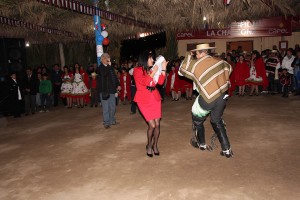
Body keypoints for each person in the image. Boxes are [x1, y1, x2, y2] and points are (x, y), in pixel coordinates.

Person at [179, 43, 233, 158]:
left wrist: (188, 54)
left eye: (197, 54)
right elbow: (229, 68)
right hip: (222, 96)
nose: (196, 56)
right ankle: (227, 150)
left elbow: (182, 70)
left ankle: (201, 144)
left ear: (202, 53)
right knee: (217, 121)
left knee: (197, 119)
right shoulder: (219, 61)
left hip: (208, 98)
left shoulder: (197, 64)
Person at [133, 51, 168, 157]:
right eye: (151, 58)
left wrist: (163, 68)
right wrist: (154, 71)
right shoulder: (137, 70)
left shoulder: (152, 69)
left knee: (157, 124)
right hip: (143, 100)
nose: (153, 60)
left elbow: (160, 82)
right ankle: (149, 145)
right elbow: (146, 82)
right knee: (152, 125)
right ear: (145, 60)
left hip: (154, 98)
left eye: (153, 59)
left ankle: (155, 145)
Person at [97, 53, 121, 129]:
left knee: (113, 107)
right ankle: (106, 122)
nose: (107, 59)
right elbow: (104, 74)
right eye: (105, 58)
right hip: (104, 90)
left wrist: (118, 84)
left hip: (111, 90)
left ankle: (112, 120)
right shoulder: (100, 68)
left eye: (108, 57)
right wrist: (109, 66)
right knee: (106, 108)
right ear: (102, 60)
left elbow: (114, 76)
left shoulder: (110, 67)